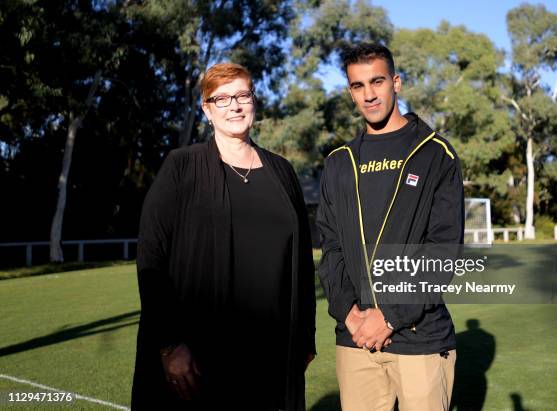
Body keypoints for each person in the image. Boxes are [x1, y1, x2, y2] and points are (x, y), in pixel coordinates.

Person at [131, 62, 316, 411]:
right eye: (222, 99)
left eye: (242, 95)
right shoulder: (181, 166)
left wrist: (305, 337)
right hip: (202, 354)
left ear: (254, 100)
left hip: (271, 351)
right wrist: (170, 344)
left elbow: (302, 262)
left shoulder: (282, 171)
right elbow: (152, 256)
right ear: (206, 108)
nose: (234, 105)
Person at [316, 43, 464, 411]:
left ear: (396, 82)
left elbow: (443, 252)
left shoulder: (434, 154)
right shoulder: (339, 163)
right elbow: (331, 248)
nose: (369, 95)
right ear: (350, 91)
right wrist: (350, 314)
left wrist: (390, 316)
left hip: (419, 337)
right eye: (358, 86)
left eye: (377, 81)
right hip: (356, 340)